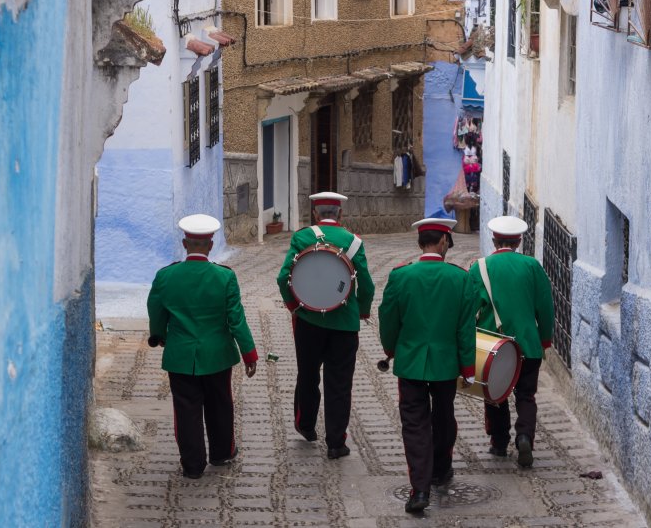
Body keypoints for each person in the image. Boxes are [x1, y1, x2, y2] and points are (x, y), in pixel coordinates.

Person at [147, 214, 258, 479]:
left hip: (181, 354)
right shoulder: (225, 277)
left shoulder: (165, 276)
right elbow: (236, 319)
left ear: (185, 244)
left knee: (186, 410)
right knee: (220, 404)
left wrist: (159, 335)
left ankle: (193, 464)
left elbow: (155, 309)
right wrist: (249, 353)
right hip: (217, 354)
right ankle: (221, 453)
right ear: (210, 245)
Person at [378, 218, 476, 514]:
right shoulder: (460, 278)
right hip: (446, 364)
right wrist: (468, 367)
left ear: (421, 243)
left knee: (414, 424)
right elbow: (465, 328)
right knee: (444, 416)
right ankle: (441, 469)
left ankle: (419, 488)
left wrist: (392, 348)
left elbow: (388, 317)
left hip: (411, 362)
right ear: (444, 241)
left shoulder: (401, 276)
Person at [276, 192, 375, 459]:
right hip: (344, 324)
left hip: (308, 320)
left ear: (316, 214)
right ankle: (335, 443)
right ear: (340, 214)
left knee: (307, 374)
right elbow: (366, 285)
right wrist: (363, 311)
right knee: (340, 383)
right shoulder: (354, 243)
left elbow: (284, 276)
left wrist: (292, 305)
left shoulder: (302, 237)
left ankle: (306, 425)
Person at [468, 215, 554, 468]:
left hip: (494, 346)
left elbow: (470, 307)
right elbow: (545, 307)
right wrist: (545, 338)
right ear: (518, 241)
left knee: (495, 394)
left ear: (494, 240)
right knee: (526, 395)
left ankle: (499, 442)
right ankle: (525, 436)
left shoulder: (479, 268)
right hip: (528, 343)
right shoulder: (532, 266)